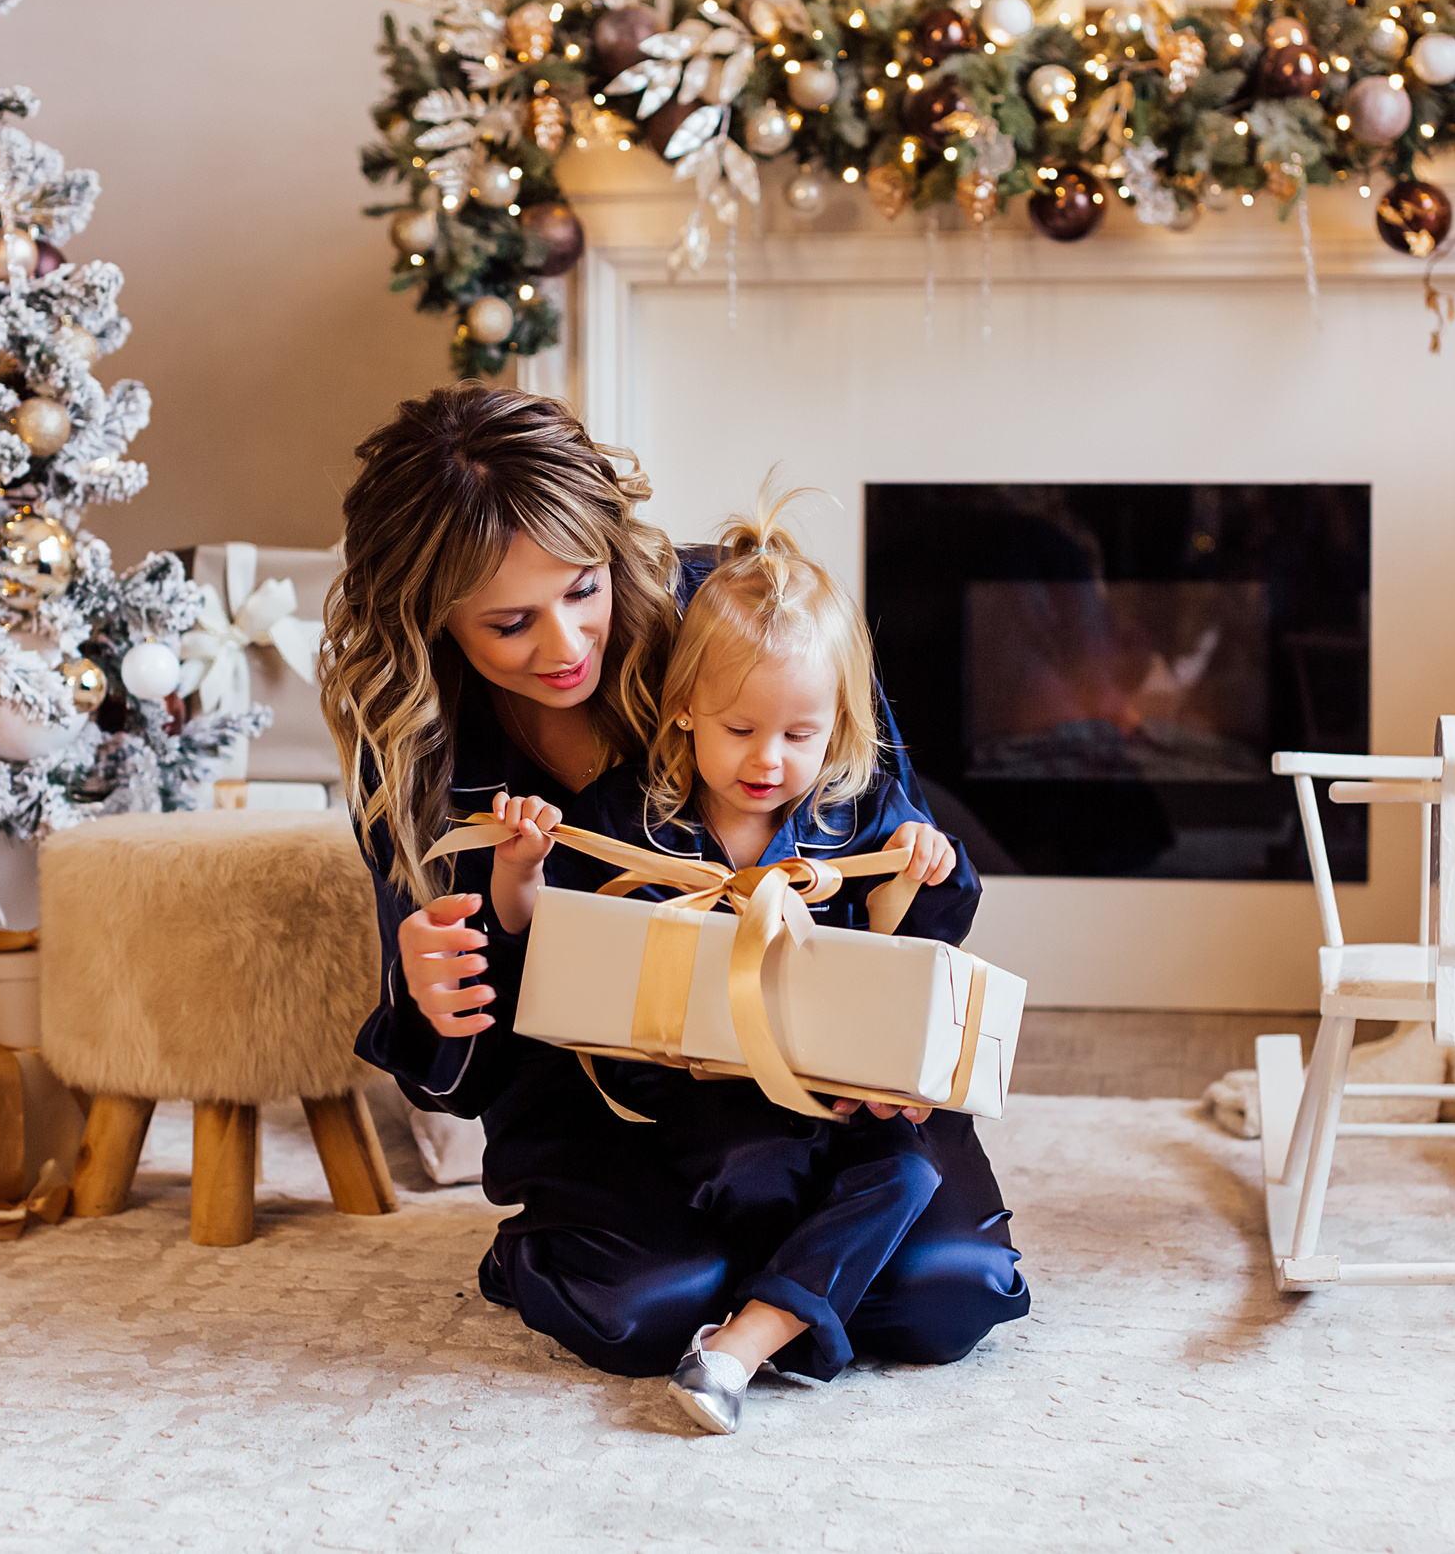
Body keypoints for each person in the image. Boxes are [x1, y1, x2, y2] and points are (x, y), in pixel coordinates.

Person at [320, 384, 1029, 1429]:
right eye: (509, 622)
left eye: (584, 587)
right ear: (432, 617)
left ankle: (759, 1282)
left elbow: (890, 849)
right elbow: (454, 1080)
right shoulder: (419, 753)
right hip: (603, 1097)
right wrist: (432, 996)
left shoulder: (749, 613)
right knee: (644, 1311)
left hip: (820, 1078)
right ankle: (705, 1271)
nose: (565, 643)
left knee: (947, 1295)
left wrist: (892, 1045)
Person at [482, 489, 994, 1434]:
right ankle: (774, 1301)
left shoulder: (857, 817)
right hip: (694, 1098)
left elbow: (920, 947)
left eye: (800, 735)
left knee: (909, 1175)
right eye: (740, 729)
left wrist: (926, 863)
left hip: (833, 1097)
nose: (769, 760)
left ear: (837, 724)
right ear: (684, 711)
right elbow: (543, 939)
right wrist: (519, 869)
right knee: (754, 1173)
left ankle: (738, 1344)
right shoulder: (625, 812)